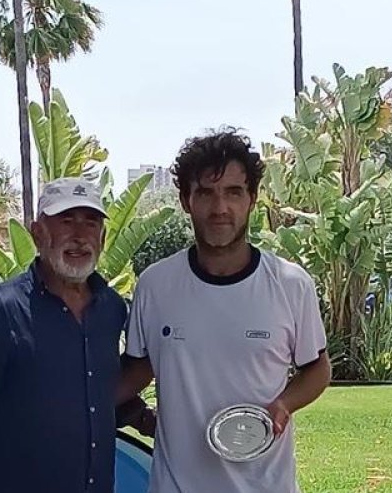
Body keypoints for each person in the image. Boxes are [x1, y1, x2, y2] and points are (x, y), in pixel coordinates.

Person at [119, 129, 332, 493]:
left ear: (252, 199)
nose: (220, 208)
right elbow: (138, 369)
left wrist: (284, 404)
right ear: (186, 200)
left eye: (233, 192)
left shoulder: (290, 284)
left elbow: (318, 367)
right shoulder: (156, 285)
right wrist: (72, 404)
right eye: (205, 193)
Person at [0, 177, 153, 493]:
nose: (79, 236)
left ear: (102, 237)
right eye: (66, 221)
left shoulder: (112, 309)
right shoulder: (0, 312)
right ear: (38, 233)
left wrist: (144, 417)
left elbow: (96, 393)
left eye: (90, 224)